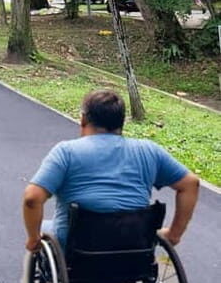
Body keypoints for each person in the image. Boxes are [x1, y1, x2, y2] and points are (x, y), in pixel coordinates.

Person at [23, 89, 200, 253]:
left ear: (83, 119)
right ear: (121, 122)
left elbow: (32, 198)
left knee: (46, 228)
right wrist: (173, 235)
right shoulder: (149, 150)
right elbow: (190, 184)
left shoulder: (66, 152)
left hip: (79, 248)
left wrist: (33, 239)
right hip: (135, 247)